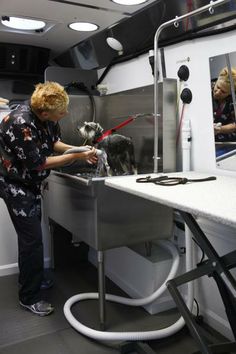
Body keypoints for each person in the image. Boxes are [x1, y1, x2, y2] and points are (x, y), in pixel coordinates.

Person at [0, 82, 97, 316]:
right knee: (32, 241)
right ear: (44, 112)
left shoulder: (46, 117)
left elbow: (54, 144)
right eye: (60, 113)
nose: (64, 115)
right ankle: (29, 297)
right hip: (15, 185)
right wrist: (77, 158)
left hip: (31, 184)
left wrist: (79, 149)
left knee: (34, 238)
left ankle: (33, 279)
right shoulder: (19, 123)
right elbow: (39, 163)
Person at [212, 66, 236, 142]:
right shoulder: (204, 88)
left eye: (223, 92)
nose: (218, 92)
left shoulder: (233, 99)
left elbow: (234, 124)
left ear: (229, 93)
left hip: (226, 139)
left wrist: (220, 129)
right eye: (218, 87)